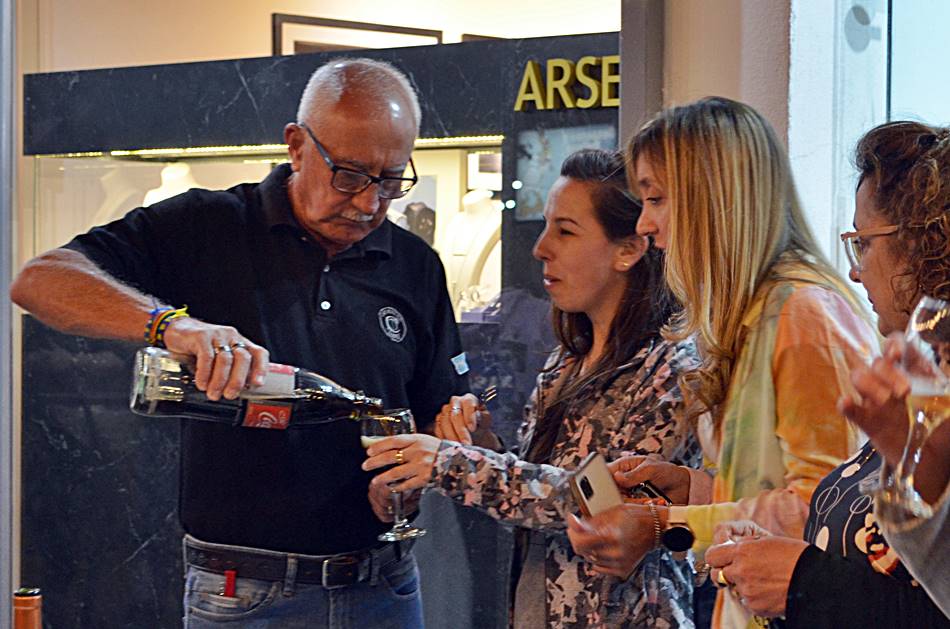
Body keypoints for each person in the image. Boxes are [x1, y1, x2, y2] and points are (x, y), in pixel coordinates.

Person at [10, 58, 469, 628]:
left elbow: (435, 415)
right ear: (297, 146)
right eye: (350, 176)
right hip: (243, 597)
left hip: (385, 589)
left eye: (391, 180)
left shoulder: (415, 266)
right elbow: (40, 280)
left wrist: (415, 477)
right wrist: (170, 325)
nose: (369, 203)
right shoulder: (207, 226)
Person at [564, 97, 879, 629]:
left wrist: (667, 524)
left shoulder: (802, 313)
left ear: (713, 198)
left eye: (656, 198)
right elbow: (778, 489)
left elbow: (827, 511)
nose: (644, 224)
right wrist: (691, 488)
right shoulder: (762, 311)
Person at [363, 149, 704, 627]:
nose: (541, 248)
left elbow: (603, 505)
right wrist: (482, 443)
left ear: (628, 250)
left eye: (566, 231)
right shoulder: (567, 360)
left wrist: (449, 463)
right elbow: (535, 498)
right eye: (546, 227)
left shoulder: (672, 369)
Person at [700, 121, 950, 627]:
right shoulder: (926, 382)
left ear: (925, 245)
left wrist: (803, 581)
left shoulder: (802, 309)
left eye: (864, 242)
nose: (855, 270)